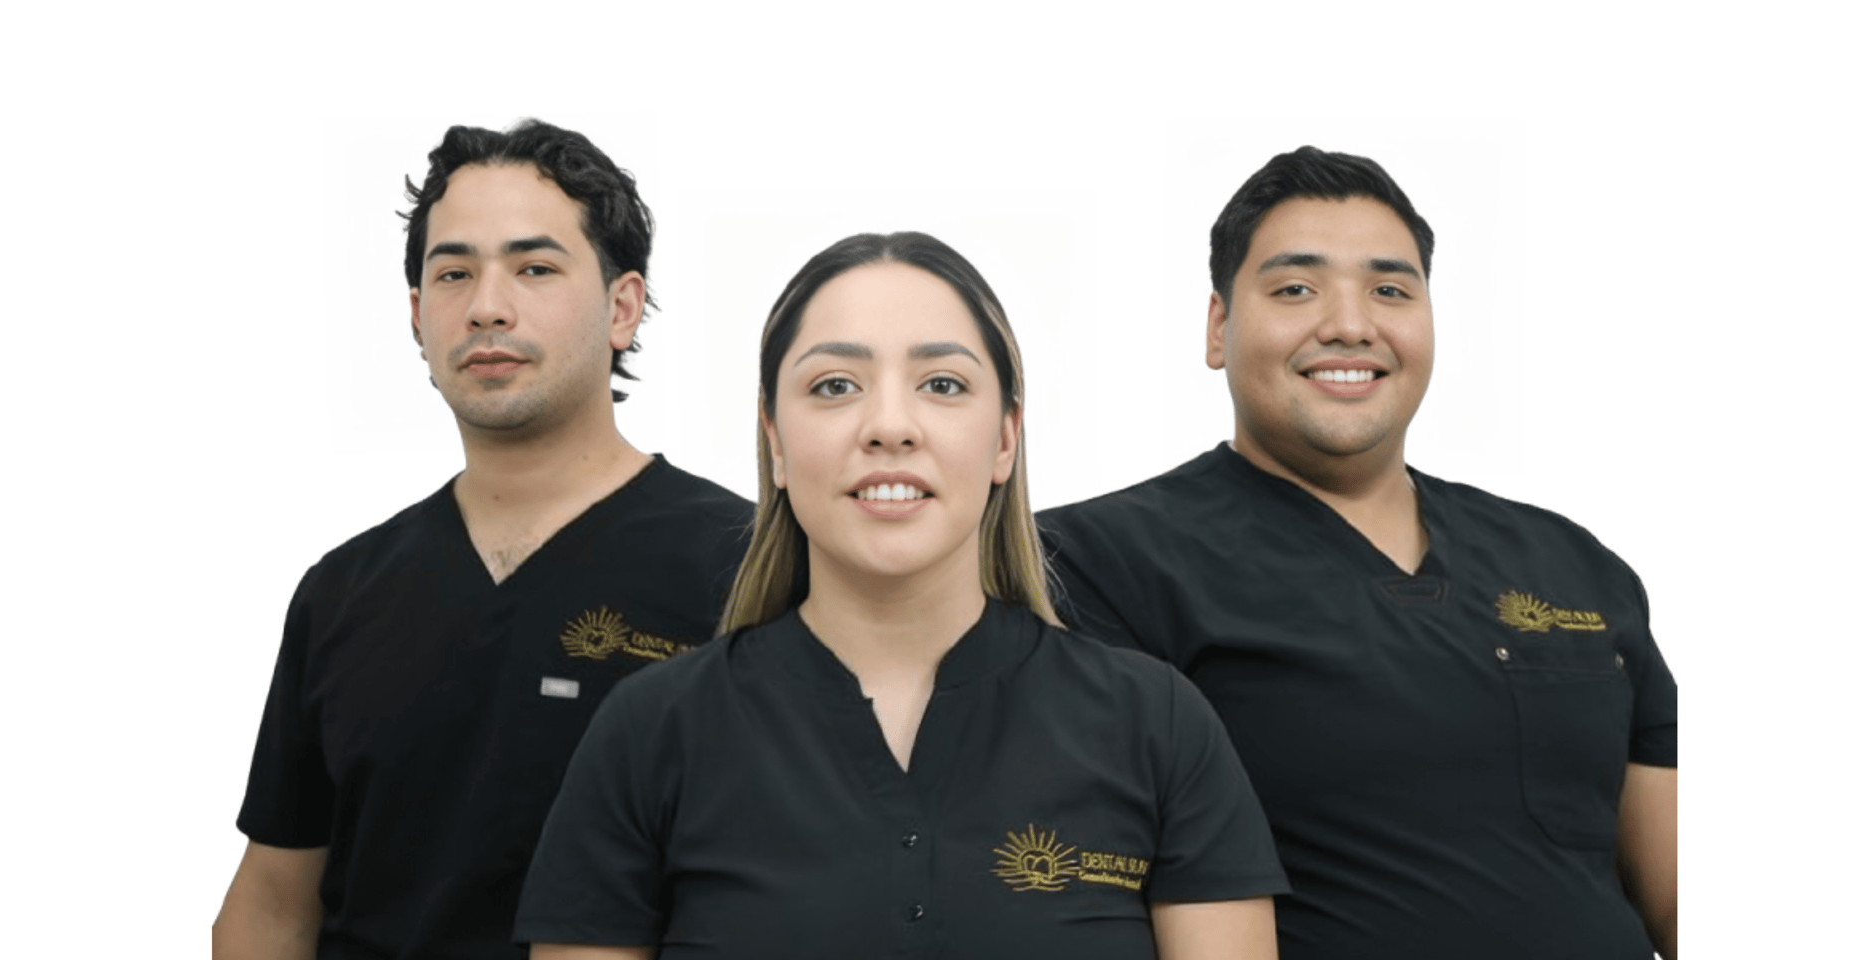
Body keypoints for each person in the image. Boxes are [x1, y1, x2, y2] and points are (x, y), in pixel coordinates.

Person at [514, 232, 1289, 959]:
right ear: (776, 440)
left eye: (943, 384)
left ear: (1006, 438)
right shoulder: (651, 731)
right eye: (836, 385)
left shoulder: (1158, 725)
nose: (890, 426)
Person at [1038, 146, 1678, 959]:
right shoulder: (1095, 562)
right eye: (1296, 289)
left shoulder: (1573, 562)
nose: (1350, 323)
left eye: (1389, 289)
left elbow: (1680, 896)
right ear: (1218, 327)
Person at [213, 120, 753, 960]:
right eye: (454, 273)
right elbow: (272, 905)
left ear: (622, 306)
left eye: (535, 269)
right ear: (419, 316)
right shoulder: (343, 592)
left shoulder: (751, 568)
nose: (488, 306)